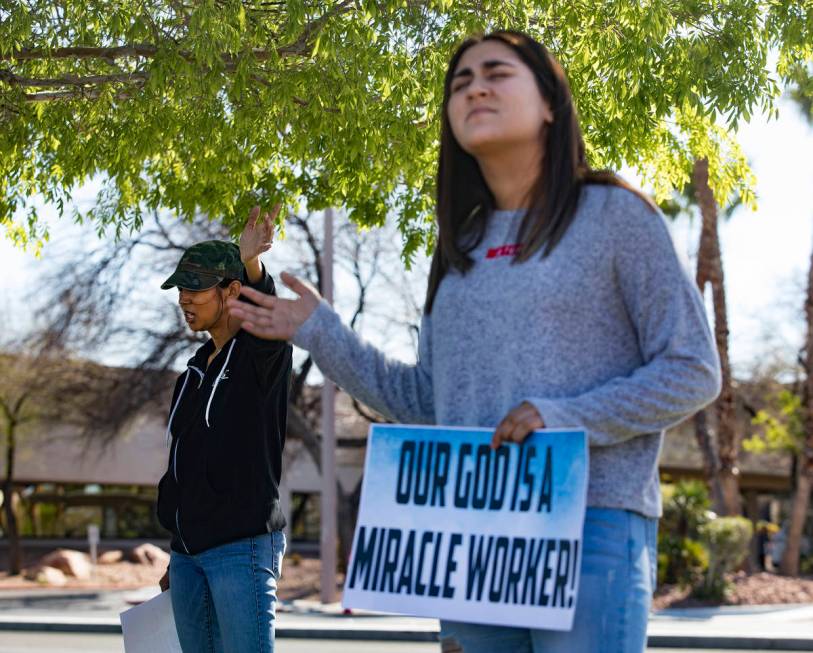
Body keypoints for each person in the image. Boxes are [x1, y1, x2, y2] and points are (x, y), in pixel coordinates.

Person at [228, 31, 721, 653]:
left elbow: (692, 370)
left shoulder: (616, 215)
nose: (475, 87)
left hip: (591, 522)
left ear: (550, 102)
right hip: (469, 534)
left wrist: (563, 417)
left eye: (496, 73)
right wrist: (319, 331)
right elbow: (426, 400)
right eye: (460, 82)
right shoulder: (458, 245)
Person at [156, 206, 293, 653]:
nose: (185, 299)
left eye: (195, 288)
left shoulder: (260, 357)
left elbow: (267, 321)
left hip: (241, 549)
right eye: (180, 289)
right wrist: (179, 547)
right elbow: (181, 466)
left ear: (232, 291)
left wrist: (251, 263)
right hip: (187, 558)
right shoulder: (192, 374)